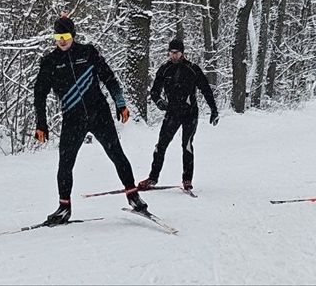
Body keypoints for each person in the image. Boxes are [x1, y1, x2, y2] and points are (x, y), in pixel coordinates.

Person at [33, 14, 148, 225]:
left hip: (99, 114)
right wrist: (41, 122)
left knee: (116, 154)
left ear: (73, 36)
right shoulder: (49, 62)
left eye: (66, 35)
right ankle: (64, 207)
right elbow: (39, 94)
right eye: (58, 36)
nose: (62, 40)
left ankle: (133, 195)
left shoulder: (88, 53)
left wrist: (120, 103)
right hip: (72, 118)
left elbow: (110, 78)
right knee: (65, 163)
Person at [137, 39, 219, 192]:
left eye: (176, 53)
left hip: (190, 113)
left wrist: (214, 109)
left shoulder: (192, 69)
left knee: (186, 145)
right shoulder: (164, 69)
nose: (173, 56)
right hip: (172, 112)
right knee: (160, 146)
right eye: (171, 53)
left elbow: (205, 89)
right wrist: (159, 101)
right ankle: (153, 178)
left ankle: (187, 179)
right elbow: (154, 91)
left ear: (182, 53)